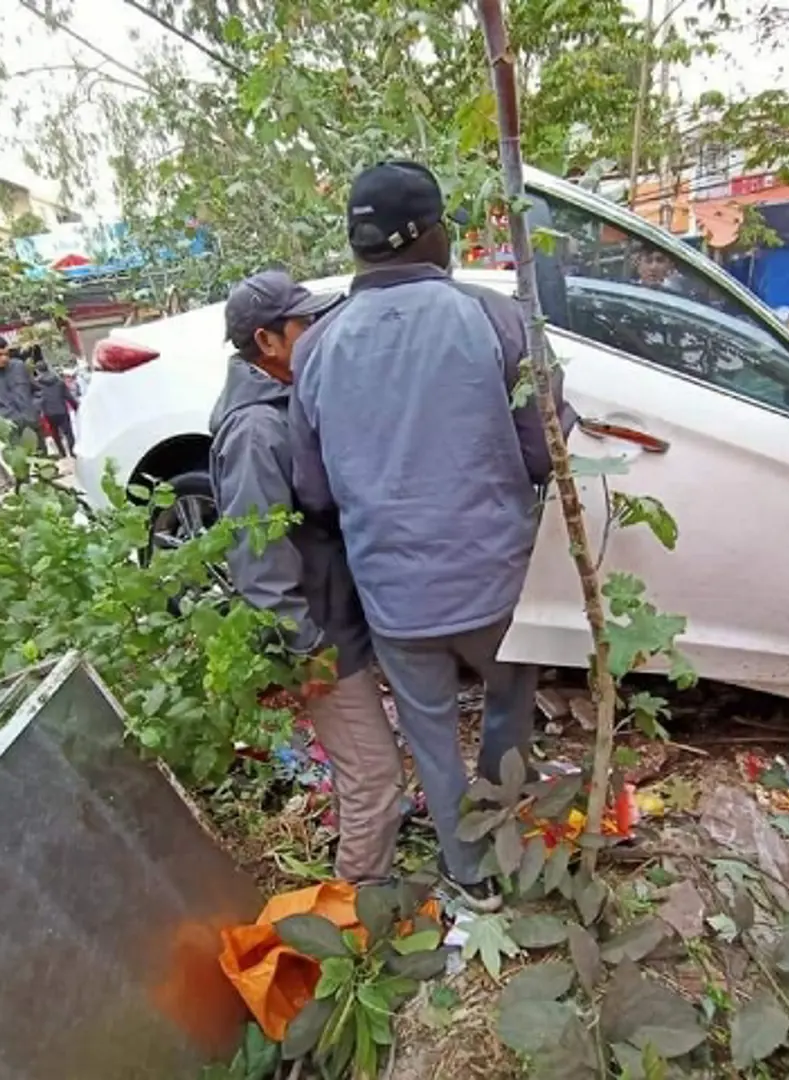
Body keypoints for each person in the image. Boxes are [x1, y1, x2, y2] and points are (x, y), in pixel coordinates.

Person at [288, 160, 574, 911]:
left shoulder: (315, 348)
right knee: (509, 704)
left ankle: (469, 872)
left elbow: (312, 490)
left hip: (394, 597)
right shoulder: (494, 318)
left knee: (431, 735)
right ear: (436, 233)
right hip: (495, 583)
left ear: (359, 248)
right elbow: (546, 450)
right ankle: (507, 824)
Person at [208, 269, 404, 885]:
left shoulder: (284, 401)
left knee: (361, 770)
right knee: (376, 776)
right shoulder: (255, 431)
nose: (318, 331)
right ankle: (355, 913)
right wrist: (305, 646)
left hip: (335, 622)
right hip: (319, 638)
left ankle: (356, 882)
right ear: (268, 342)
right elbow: (258, 560)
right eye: (305, 324)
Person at [0, 333, 40, 440]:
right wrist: (0, 419)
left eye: (6, 354)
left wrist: (35, 409)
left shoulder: (19, 366)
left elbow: (37, 390)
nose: (4, 358)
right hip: (9, 433)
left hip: (32, 428)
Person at [36, 366, 78, 457]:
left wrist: (39, 411)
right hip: (62, 411)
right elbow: (68, 397)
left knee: (55, 434)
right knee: (68, 433)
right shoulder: (59, 382)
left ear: (38, 371)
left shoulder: (37, 384)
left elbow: (37, 399)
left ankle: (62, 453)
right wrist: (76, 408)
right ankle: (73, 453)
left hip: (48, 413)